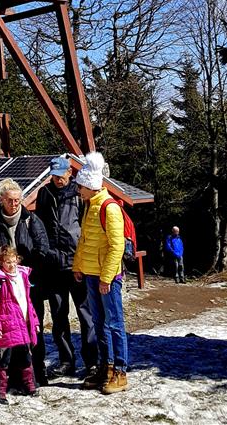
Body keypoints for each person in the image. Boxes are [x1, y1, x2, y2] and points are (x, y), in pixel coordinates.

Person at [35, 155, 97, 379]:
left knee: (86, 314)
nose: (58, 179)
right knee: (59, 316)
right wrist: (46, 253)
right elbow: (39, 226)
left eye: (61, 175)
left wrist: (83, 257)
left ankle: (92, 361)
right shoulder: (44, 193)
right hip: (53, 265)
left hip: (77, 263)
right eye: (54, 175)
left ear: (70, 173)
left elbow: (86, 226)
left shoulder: (80, 194)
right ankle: (66, 361)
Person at [73, 151, 128, 394]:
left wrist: (107, 278)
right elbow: (84, 241)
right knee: (99, 323)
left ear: (90, 185)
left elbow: (117, 246)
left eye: (81, 186)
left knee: (115, 324)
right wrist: (78, 266)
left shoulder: (110, 208)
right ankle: (105, 367)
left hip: (108, 277)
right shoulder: (89, 206)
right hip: (91, 273)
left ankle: (121, 371)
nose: (78, 190)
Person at [0, 178, 49, 385]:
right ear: (2, 200)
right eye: (11, 200)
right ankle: (11, 374)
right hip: (5, 285)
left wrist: (27, 270)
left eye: (18, 200)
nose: (15, 204)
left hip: (27, 284)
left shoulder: (31, 219)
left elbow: (42, 246)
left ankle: (37, 371)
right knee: (10, 332)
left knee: (32, 327)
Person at [0, 245, 39, 405]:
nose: (11, 265)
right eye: (7, 262)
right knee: (4, 360)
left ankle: (30, 386)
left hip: (23, 324)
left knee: (26, 357)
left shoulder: (22, 276)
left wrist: (34, 321)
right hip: (6, 326)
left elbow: (28, 301)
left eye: (13, 261)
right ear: (1, 262)